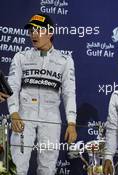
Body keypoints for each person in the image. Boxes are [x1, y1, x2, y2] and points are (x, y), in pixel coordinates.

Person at [7, 13, 77, 175]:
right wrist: (14, 112)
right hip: (24, 116)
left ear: (50, 32)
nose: (34, 34)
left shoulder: (65, 60)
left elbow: (69, 93)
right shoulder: (21, 57)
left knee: (48, 167)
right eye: (31, 31)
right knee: (17, 166)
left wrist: (72, 123)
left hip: (51, 119)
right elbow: (12, 87)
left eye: (38, 30)